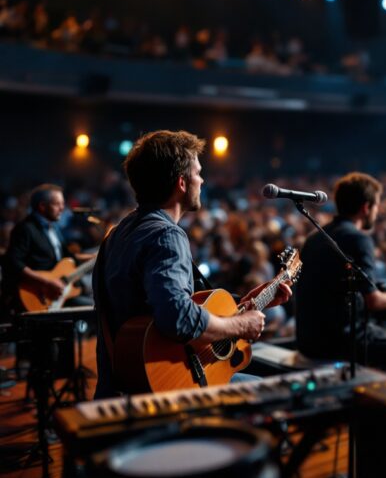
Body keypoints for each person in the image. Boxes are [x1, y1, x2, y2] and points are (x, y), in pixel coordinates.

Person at [93, 131, 290, 398]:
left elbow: (156, 305)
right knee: (277, 393)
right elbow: (177, 317)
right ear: (182, 183)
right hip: (167, 390)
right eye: (198, 173)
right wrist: (242, 325)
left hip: (123, 386)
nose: (203, 180)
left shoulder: (118, 232)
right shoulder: (167, 235)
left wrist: (246, 302)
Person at [295, 172, 386, 373]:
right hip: (339, 343)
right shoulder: (358, 239)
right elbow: (375, 302)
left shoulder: (314, 238)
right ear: (366, 207)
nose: (376, 212)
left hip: (309, 342)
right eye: (376, 206)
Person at [1, 184, 94, 318]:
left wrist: (93, 257)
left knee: (95, 306)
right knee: (95, 310)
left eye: (63, 203)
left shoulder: (53, 228)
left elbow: (67, 258)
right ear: (42, 206)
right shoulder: (25, 229)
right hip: (40, 295)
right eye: (57, 204)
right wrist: (47, 282)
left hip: (59, 293)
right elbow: (13, 263)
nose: (62, 208)